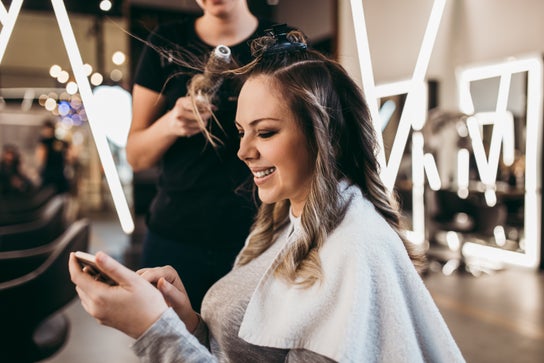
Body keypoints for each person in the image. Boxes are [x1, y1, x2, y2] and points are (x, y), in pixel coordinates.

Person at [69, 29, 465, 362]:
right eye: (242, 131)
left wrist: (153, 330)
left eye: (266, 132)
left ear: (323, 135)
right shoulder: (282, 223)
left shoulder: (355, 252)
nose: (243, 152)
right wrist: (184, 321)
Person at [127, 0, 285, 312]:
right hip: (176, 236)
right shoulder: (166, 42)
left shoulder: (280, 44)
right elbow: (136, 156)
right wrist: (170, 124)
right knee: (168, 347)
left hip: (260, 237)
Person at [35, 119, 70, 194]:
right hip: (60, 174)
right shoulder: (60, 142)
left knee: (47, 195)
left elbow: (41, 159)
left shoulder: (44, 142)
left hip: (49, 174)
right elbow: (68, 156)